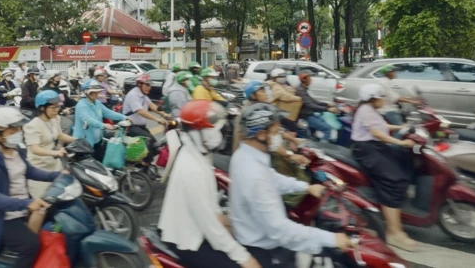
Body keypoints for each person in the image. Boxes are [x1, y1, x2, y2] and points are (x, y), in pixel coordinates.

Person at [229, 102, 351, 265]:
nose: (279, 135)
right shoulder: (254, 175)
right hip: (265, 249)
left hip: (258, 235)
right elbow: (280, 230)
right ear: (261, 134)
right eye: (276, 131)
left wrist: (306, 187)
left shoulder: (245, 155)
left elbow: (272, 178)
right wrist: (331, 239)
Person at [159, 100, 261, 268]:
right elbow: (210, 227)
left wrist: (224, 219)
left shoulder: (199, 154)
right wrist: (243, 258)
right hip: (187, 239)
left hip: (199, 229)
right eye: (212, 130)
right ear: (196, 132)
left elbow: (211, 205)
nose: (218, 135)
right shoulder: (192, 170)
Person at [0, 107, 59, 268]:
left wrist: (56, 175)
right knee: (31, 246)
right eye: (12, 130)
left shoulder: (16, 150)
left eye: (18, 129)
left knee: (52, 223)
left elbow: (29, 170)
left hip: (18, 208)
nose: (18, 132)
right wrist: (26, 203)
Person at [350, 83, 416, 251]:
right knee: (392, 180)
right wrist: (401, 142)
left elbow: (383, 127)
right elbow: (377, 133)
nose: (384, 100)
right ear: (373, 99)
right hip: (367, 150)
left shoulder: (370, 110)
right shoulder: (365, 110)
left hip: (375, 147)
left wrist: (403, 128)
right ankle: (393, 232)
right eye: (381, 97)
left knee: (403, 162)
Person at [24, 90, 75, 198]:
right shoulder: (32, 126)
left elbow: (60, 135)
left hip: (55, 166)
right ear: (42, 108)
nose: (57, 110)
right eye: (53, 107)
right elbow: (35, 149)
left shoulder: (54, 119)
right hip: (39, 169)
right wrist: (55, 153)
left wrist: (77, 140)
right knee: (44, 203)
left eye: (58, 106)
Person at [122, 73, 170, 165]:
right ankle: (144, 166)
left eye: (150, 85)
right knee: (148, 141)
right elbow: (141, 111)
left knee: (156, 145)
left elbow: (151, 105)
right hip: (131, 127)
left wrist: (165, 114)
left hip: (140, 127)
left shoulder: (143, 95)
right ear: (140, 84)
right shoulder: (133, 95)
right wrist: (157, 119)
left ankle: (143, 164)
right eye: (147, 85)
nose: (149, 87)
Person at [73, 80, 127, 160]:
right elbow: (88, 119)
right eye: (93, 92)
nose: (96, 94)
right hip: (84, 144)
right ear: (86, 92)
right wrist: (103, 125)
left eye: (97, 92)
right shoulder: (81, 105)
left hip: (97, 141)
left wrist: (124, 117)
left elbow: (108, 113)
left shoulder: (97, 103)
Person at [295, 72, 338, 140]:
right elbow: (310, 105)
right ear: (304, 80)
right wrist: (327, 109)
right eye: (309, 78)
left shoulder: (303, 89)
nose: (311, 80)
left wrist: (327, 104)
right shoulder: (300, 91)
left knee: (323, 119)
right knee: (327, 129)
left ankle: (316, 137)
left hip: (309, 113)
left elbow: (314, 101)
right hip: (306, 116)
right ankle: (324, 148)